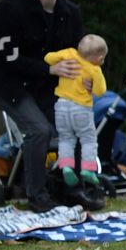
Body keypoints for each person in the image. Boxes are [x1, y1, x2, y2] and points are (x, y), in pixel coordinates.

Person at [0, 0, 101, 213]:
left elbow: (80, 57)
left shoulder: (70, 12)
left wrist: (87, 79)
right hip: (7, 82)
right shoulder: (9, 10)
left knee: (76, 121)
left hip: (46, 84)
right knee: (39, 130)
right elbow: (6, 61)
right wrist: (50, 70)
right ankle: (36, 195)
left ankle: (74, 189)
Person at [44, 33, 108, 188]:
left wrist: (60, 62)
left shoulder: (69, 53)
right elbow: (100, 91)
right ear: (99, 58)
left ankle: (66, 166)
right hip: (81, 109)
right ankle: (88, 169)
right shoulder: (94, 69)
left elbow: (48, 58)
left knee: (66, 139)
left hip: (61, 106)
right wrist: (95, 80)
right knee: (88, 139)